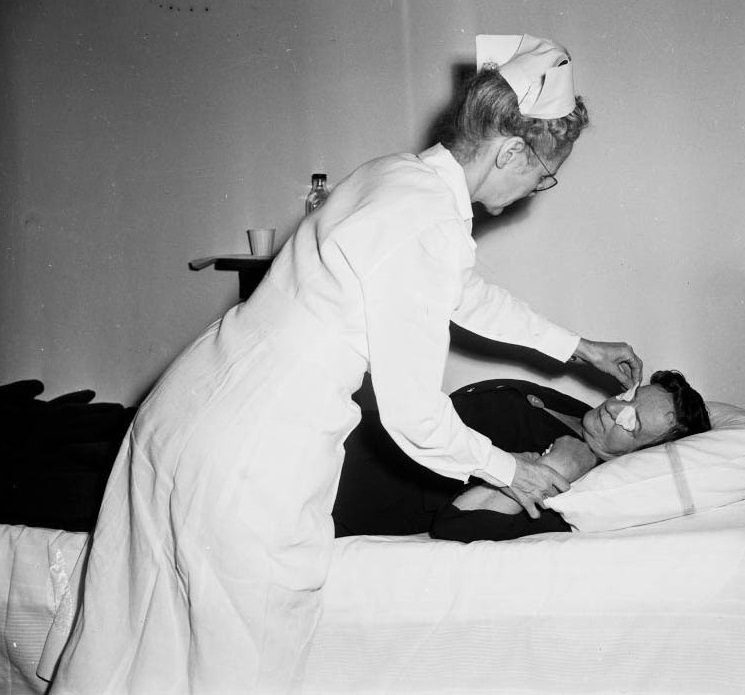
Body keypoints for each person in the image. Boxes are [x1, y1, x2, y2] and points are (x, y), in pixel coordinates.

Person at [50, 35, 643, 694]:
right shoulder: (430, 225)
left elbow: (463, 295)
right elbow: (414, 413)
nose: (538, 189)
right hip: (247, 459)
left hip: (181, 415)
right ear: (511, 151)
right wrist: (512, 470)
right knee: (241, 665)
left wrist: (577, 346)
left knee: (139, 642)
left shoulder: (397, 175)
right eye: (544, 173)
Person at [332, 370, 711, 542]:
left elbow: (457, 526)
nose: (615, 407)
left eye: (631, 421)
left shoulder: (577, 479)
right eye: (629, 397)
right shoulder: (575, 411)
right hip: (350, 430)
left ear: (639, 454)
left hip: (350, 490)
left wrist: (546, 469)